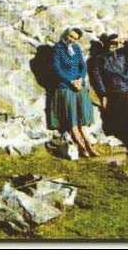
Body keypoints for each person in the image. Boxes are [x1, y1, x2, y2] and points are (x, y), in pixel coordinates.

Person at [47, 27, 97, 158]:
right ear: (65, 34)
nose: (72, 40)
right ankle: (82, 147)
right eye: (70, 36)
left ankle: (89, 146)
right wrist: (70, 81)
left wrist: (80, 78)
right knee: (73, 120)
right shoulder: (57, 49)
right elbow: (56, 68)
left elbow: (83, 66)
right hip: (65, 86)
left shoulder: (76, 49)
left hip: (78, 85)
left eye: (75, 38)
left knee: (81, 121)